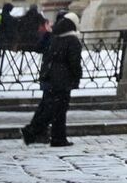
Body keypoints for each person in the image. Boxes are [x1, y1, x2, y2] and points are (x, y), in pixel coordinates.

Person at [21, 10, 82, 147]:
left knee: (50, 108)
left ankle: (55, 137)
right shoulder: (72, 40)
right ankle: (36, 132)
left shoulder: (55, 38)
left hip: (50, 78)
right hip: (63, 80)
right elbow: (74, 62)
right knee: (58, 110)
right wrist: (77, 76)